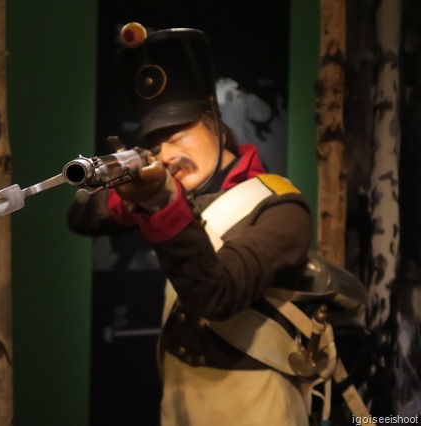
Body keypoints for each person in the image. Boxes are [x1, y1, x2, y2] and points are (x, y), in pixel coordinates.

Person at [68, 23, 312, 425]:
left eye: (178, 132)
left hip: (257, 406)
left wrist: (161, 199)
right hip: (181, 398)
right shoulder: (184, 195)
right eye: (156, 143)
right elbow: (81, 217)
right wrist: (131, 186)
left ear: (213, 122)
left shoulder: (281, 207)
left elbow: (217, 296)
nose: (167, 153)